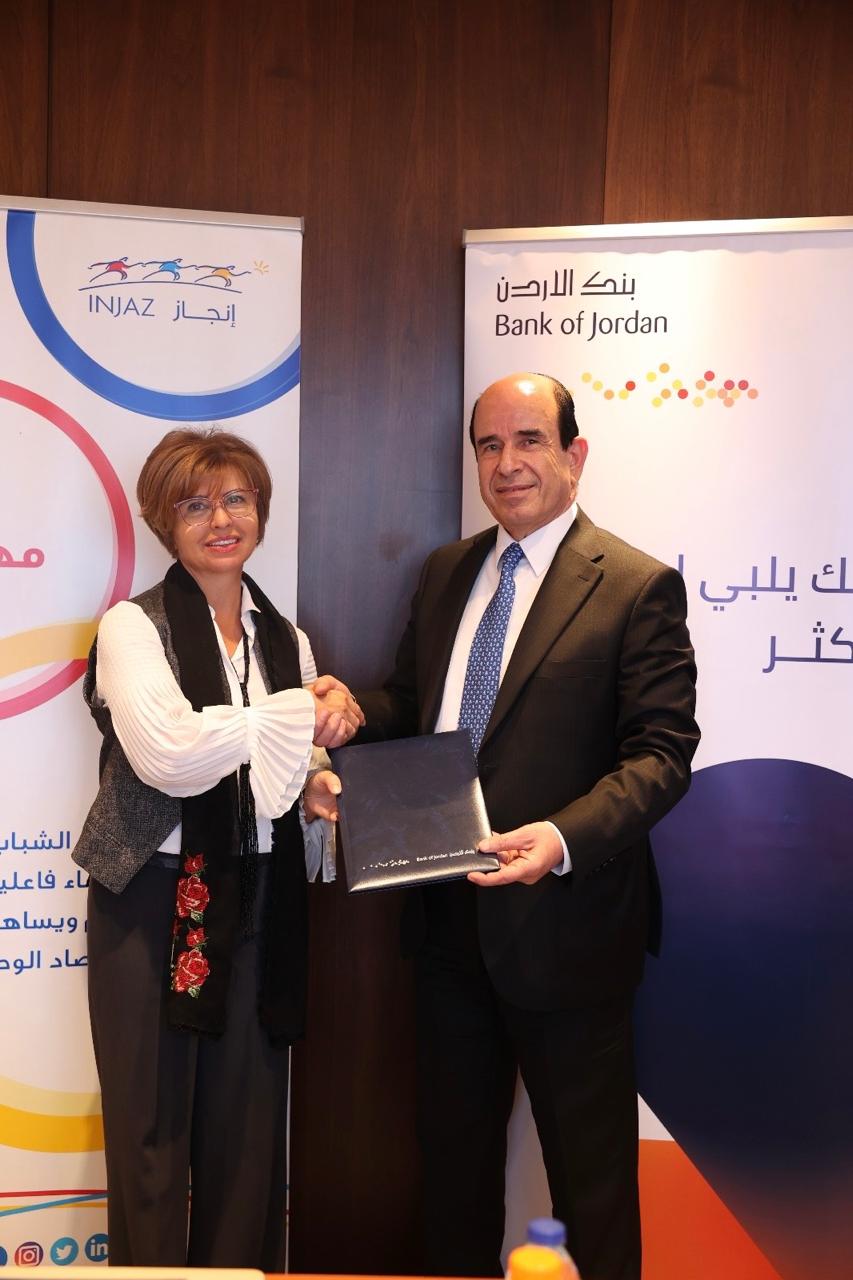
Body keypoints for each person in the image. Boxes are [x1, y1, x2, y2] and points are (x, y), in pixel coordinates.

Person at [341, 372, 699, 1280]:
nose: (507, 464)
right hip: (445, 921)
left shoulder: (635, 586)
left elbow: (660, 755)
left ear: (574, 455)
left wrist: (561, 839)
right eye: (489, 445)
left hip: (568, 933)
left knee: (591, 1192)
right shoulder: (446, 571)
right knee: (452, 1181)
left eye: (529, 440)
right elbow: (418, 705)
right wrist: (352, 710)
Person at [73, 427, 361, 1269]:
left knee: (248, 1131)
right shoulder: (132, 626)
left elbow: (283, 769)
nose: (221, 520)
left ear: (261, 512)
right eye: (195, 505)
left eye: (237, 499)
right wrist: (293, 716)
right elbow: (168, 753)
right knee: (149, 1131)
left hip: (257, 892)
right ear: (164, 522)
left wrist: (314, 780)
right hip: (146, 895)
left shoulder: (287, 640)